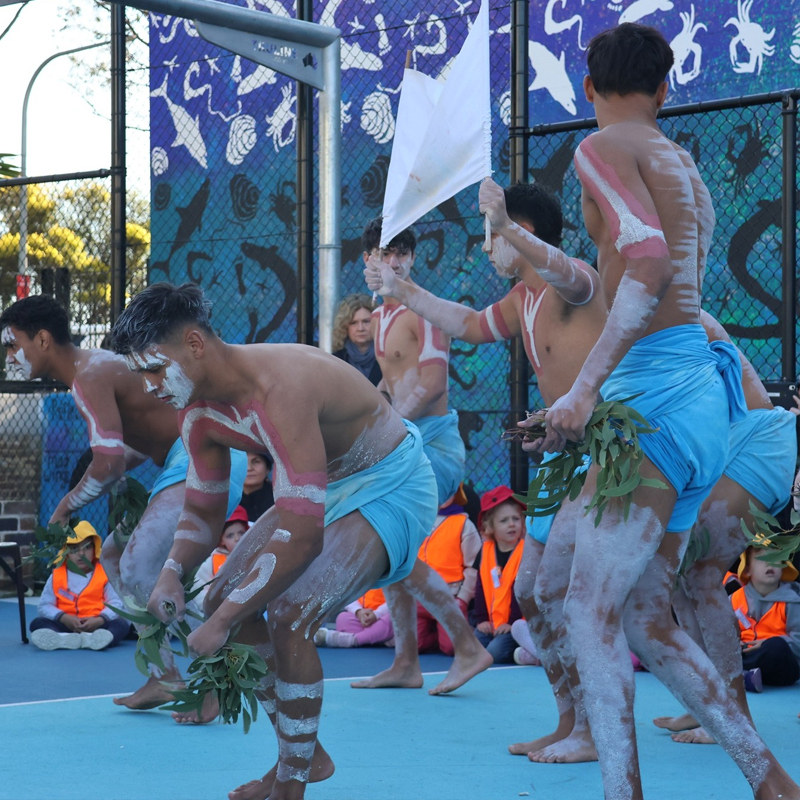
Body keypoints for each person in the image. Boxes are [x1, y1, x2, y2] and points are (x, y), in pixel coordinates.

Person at [527, 23, 799, 799]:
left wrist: (584, 391)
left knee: (584, 607)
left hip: (652, 402)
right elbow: (639, 268)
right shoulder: (681, 165)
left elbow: (641, 264)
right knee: (646, 614)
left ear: (587, 88)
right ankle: (770, 778)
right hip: (693, 404)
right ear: (666, 87)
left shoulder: (601, 146)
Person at [111, 282, 491, 800]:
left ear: (195, 345)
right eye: (141, 373)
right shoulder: (197, 411)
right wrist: (174, 572)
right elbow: (202, 509)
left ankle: (290, 783)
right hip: (327, 483)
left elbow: (304, 534)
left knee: (290, 611)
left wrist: (219, 625)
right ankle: (303, 756)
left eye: (154, 368)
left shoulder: (279, 388)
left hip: (393, 482)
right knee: (224, 596)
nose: (150, 385)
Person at [365, 176, 606, 757]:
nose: (484, 246)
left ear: (519, 234)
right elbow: (470, 324)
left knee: (576, 598)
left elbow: (571, 276)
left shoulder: (569, 279)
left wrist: (504, 226)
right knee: (532, 591)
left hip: (610, 456)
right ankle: (571, 723)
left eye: (491, 236)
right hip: (564, 459)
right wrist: (405, 289)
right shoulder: (518, 301)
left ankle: (598, 733)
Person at [0, 295, 246, 710]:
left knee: (135, 564)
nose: (8, 356)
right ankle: (164, 675)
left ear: (42, 340)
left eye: (12, 344)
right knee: (114, 557)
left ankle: (217, 677)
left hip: (206, 454)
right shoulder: (93, 369)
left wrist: (64, 508)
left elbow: (109, 464)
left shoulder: (88, 375)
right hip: (185, 457)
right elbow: (133, 448)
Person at [352, 218, 492, 692]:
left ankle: (469, 648)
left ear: (412, 259)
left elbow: (432, 384)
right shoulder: (377, 317)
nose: (394, 262)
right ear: (367, 261)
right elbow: (387, 388)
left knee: (392, 543)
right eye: (384, 254)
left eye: (402, 253)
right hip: (405, 443)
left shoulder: (426, 312)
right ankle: (407, 663)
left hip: (434, 446)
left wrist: (386, 434)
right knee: (391, 547)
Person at [651, 311, 797, 744]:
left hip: (760, 446)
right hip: (722, 452)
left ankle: (732, 716)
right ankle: (704, 705)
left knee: (701, 574)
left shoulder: (680, 311)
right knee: (680, 572)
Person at [30, 520, 131, 651]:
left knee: (121, 625)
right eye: (74, 549)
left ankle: (95, 639)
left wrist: (100, 620)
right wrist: (64, 618)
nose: (81, 554)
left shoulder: (104, 573)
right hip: (66, 624)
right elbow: (44, 605)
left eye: (87, 547)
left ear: (95, 548)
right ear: (65, 552)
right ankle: (63, 639)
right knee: (37, 623)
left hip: (96, 624)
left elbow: (116, 604)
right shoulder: (57, 575)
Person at [416, 484, 481, 656]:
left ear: (457, 492)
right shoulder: (421, 520)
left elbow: (473, 566)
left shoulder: (464, 524)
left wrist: (463, 599)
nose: (443, 495)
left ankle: (454, 631)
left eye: (448, 490)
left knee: (452, 648)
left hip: (449, 597)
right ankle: (438, 633)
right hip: (420, 597)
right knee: (412, 643)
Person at [471, 487, 526, 664]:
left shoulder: (525, 551)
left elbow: (522, 592)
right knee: (473, 646)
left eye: (516, 519)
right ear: (489, 526)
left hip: (516, 624)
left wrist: (511, 623)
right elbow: (480, 588)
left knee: (495, 651)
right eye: (504, 520)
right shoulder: (486, 551)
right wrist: (482, 621)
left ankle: (523, 649)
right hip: (493, 624)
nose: (512, 524)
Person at [733, 548, 800, 689]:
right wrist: (734, 644)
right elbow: (724, 633)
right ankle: (747, 676)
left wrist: (766, 643)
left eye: (776, 558)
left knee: (776, 647)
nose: (770, 564)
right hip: (744, 655)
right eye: (761, 559)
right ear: (747, 570)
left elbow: (798, 641)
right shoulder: (734, 599)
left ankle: (740, 676)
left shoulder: (794, 600)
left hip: (780, 664)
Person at [192, 505, 249, 609]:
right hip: (222, 613)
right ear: (221, 540)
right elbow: (198, 589)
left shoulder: (256, 555)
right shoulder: (212, 562)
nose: (237, 538)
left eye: (241, 533)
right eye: (230, 536)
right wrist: (211, 609)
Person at [315, 587, 395, 648]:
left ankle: (352, 640)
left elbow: (398, 600)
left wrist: (377, 614)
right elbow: (349, 595)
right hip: (364, 619)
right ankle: (379, 637)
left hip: (385, 616)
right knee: (342, 618)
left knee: (393, 618)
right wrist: (358, 611)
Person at [331, 293, 382, 387]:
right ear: (345, 326)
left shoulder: (388, 357)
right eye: (353, 323)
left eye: (366, 321)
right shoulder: (336, 360)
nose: (360, 328)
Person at [240, 452, 275, 523]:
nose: (249, 468)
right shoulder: (227, 501)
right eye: (243, 462)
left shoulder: (279, 499)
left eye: (256, 461)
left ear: (268, 468)